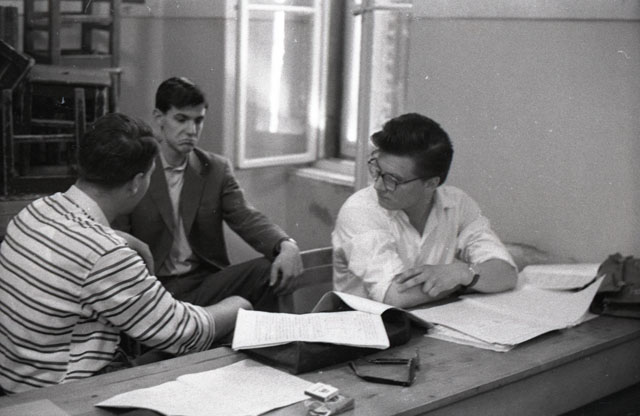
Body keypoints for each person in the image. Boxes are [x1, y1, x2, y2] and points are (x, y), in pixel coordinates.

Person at [0, 113, 251, 394]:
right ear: (135, 182)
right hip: (65, 395)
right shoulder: (105, 254)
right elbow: (184, 333)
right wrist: (239, 305)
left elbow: (78, 250)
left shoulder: (34, 211)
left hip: (15, 381)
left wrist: (123, 239)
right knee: (222, 342)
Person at [114, 77, 302, 312]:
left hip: (204, 282)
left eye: (198, 120)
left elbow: (246, 217)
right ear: (159, 118)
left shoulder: (214, 168)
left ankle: (271, 337)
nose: (191, 131)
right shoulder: (136, 169)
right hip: (153, 287)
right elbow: (118, 238)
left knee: (267, 271)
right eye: (181, 119)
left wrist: (285, 244)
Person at [332, 113, 517, 308]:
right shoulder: (360, 210)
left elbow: (506, 273)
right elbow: (394, 295)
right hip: (365, 324)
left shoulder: (457, 203)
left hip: (431, 321)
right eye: (377, 171)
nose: (378, 185)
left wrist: (461, 273)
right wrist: (463, 277)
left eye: (393, 180)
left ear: (431, 184)